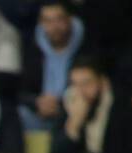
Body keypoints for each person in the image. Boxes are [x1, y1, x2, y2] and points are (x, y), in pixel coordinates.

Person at [50, 56, 132, 153]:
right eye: (75, 84)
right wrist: (74, 126)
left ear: (103, 82)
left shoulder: (123, 104)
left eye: (87, 83)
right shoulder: (70, 103)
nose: (81, 91)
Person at [19, 0, 91, 131]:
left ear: (70, 19)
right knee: (22, 113)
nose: (54, 26)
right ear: (41, 23)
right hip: (41, 108)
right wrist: (36, 101)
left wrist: (61, 104)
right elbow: (21, 89)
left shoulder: (87, 46)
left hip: (74, 108)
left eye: (59, 19)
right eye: (48, 21)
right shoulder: (32, 48)